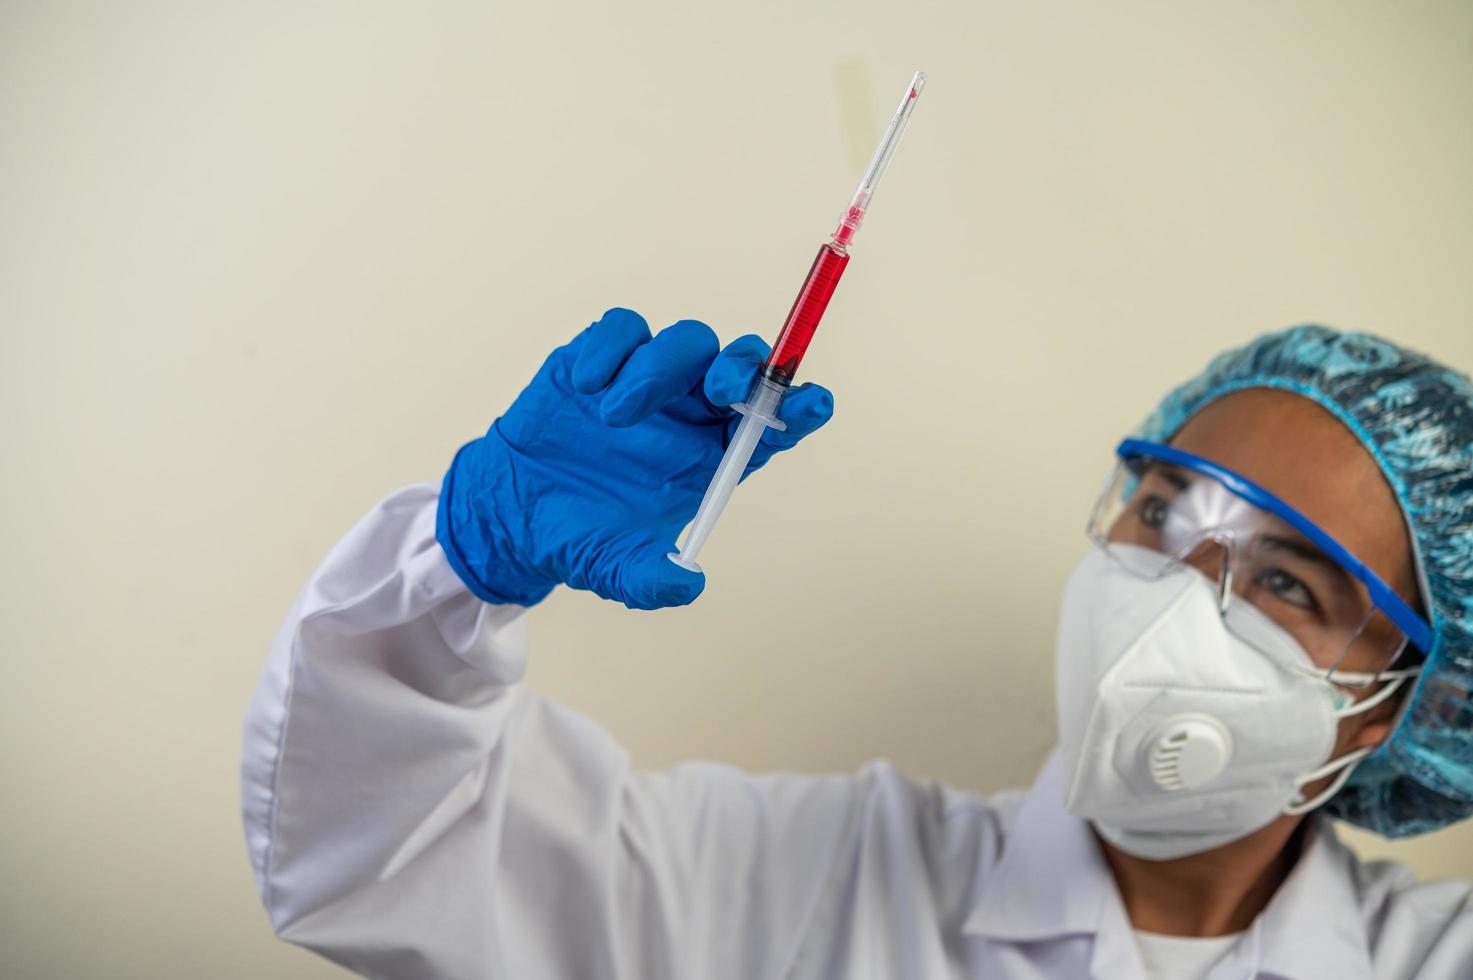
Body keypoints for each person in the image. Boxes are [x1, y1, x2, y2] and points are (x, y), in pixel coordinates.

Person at [241, 309, 1473, 979]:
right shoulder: (804, 884)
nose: (1174, 596)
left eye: (1283, 582)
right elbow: (395, 864)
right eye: (1160, 514)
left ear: (1393, 707)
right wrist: (463, 561)